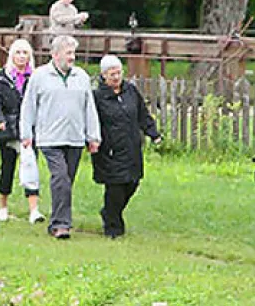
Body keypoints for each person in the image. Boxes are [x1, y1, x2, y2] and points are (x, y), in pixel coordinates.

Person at [20, 35, 100, 239]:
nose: (72, 57)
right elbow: (28, 106)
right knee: (60, 177)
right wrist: (26, 133)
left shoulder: (81, 76)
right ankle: (62, 225)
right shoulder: (40, 76)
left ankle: (55, 221)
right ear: (55, 55)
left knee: (66, 182)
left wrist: (93, 136)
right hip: (49, 138)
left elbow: (89, 107)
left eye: (73, 53)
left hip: (74, 138)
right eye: (68, 53)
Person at [92, 55, 161, 238]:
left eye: (118, 73)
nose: (116, 77)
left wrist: (153, 133)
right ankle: (113, 226)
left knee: (132, 183)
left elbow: (142, 114)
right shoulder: (98, 97)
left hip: (131, 147)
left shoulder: (130, 91)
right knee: (115, 187)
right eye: (111, 74)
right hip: (110, 150)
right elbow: (91, 122)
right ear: (103, 75)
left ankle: (109, 212)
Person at [0, 39, 43, 224]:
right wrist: (0, 120)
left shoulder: (35, 78)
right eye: (18, 53)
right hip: (9, 129)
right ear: (11, 55)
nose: (21, 57)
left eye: (24, 53)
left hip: (28, 129)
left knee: (30, 166)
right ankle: (3, 206)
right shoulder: (1, 78)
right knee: (7, 168)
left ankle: (34, 210)